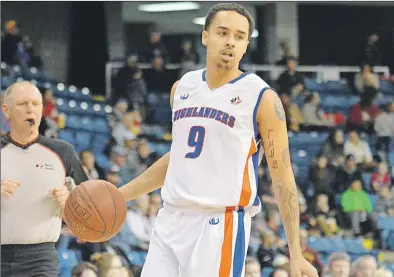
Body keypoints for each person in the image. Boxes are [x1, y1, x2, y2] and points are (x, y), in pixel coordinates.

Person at [117, 3, 319, 277]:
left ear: (247, 45)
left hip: (218, 224)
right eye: (222, 33)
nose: (230, 42)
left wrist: (295, 252)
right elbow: (178, 159)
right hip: (169, 219)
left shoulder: (262, 97)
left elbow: (282, 175)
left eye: (239, 36)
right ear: (205, 36)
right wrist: (120, 196)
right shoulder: (182, 87)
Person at [1, 81, 88, 277]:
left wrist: (71, 205)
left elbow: (89, 214)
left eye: (35, 104)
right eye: (22, 104)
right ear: (6, 111)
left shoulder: (63, 152)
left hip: (40, 258)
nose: (30, 109)